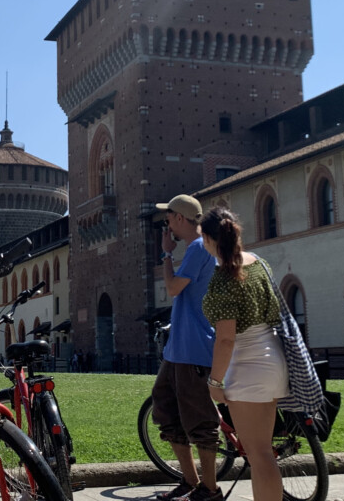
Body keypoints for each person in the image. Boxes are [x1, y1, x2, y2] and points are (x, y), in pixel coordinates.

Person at [198, 207, 289, 501]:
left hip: (248, 365)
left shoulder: (224, 277)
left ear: (211, 239)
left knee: (259, 454)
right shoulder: (259, 264)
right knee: (263, 453)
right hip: (273, 359)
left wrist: (214, 383)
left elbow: (225, 340)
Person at [150, 195, 221, 501]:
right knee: (165, 408)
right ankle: (190, 482)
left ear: (180, 219)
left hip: (194, 348)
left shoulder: (197, 247)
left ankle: (209, 489)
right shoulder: (198, 248)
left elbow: (173, 288)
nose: (167, 226)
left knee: (200, 420)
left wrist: (167, 255)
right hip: (178, 349)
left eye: (168, 220)